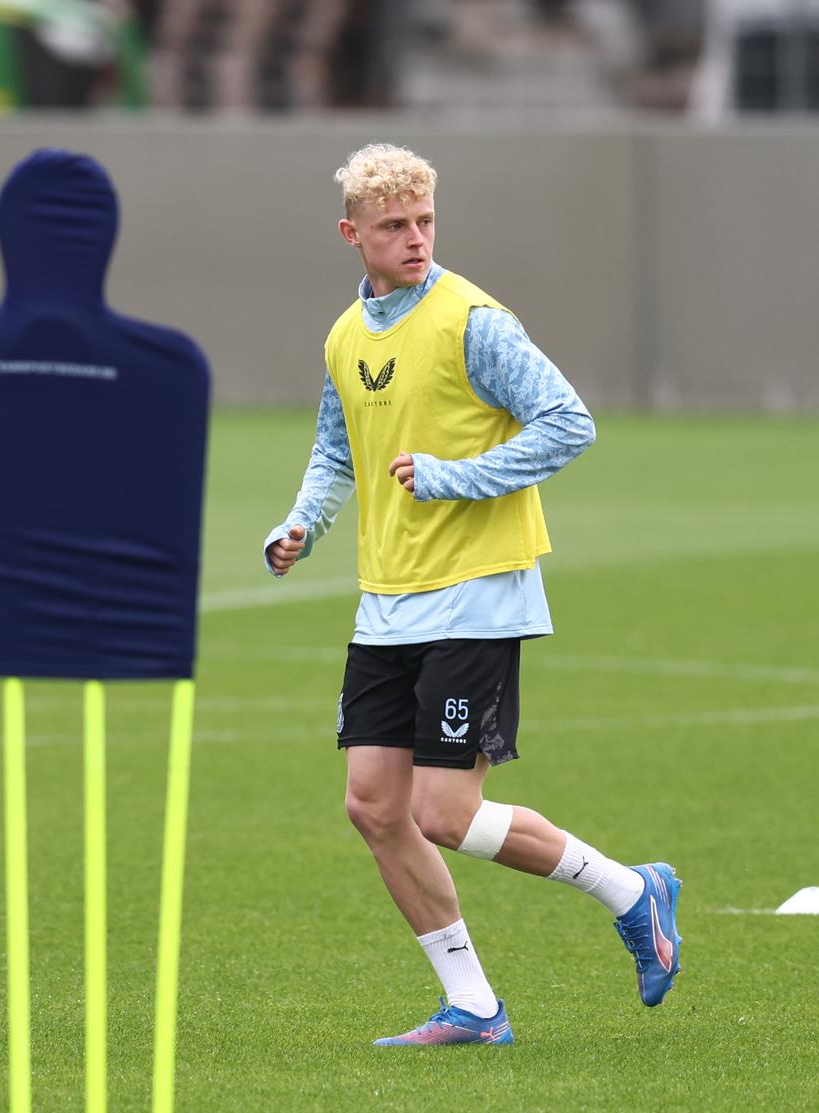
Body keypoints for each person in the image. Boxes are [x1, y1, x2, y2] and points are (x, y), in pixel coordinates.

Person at [263, 143, 682, 1047]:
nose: (415, 240)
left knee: (442, 813)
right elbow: (338, 452)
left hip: (479, 593)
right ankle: (476, 1007)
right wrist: (300, 524)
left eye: (425, 222)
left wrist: (457, 476)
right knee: (374, 806)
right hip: (389, 598)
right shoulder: (344, 336)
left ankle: (631, 890)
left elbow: (571, 422)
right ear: (352, 235)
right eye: (394, 227)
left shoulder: (474, 321)